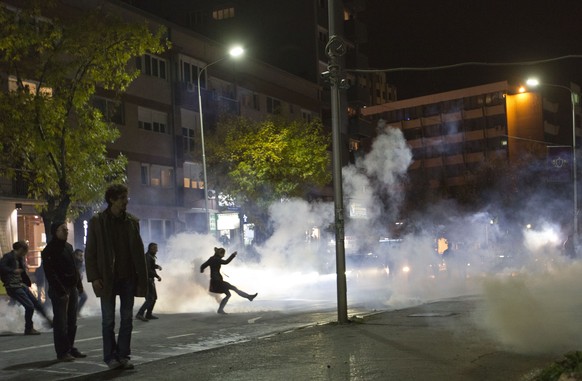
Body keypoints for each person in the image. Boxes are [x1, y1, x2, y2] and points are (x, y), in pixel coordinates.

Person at [85, 184, 148, 370]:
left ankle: (123, 355)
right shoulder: (98, 221)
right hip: (107, 278)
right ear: (112, 199)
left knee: (127, 319)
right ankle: (110, 357)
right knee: (108, 320)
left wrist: (142, 281)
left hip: (128, 277)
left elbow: (138, 251)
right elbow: (90, 252)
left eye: (126, 197)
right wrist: (94, 277)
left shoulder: (132, 221)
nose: (125, 201)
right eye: (121, 198)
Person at [41, 222, 86, 361]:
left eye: (67, 229)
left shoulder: (68, 247)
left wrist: (79, 285)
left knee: (72, 321)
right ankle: (62, 352)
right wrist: (61, 291)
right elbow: (51, 274)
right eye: (63, 230)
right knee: (61, 322)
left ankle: (70, 347)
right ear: (55, 231)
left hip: (71, 288)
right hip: (59, 290)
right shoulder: (49, 250)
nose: (66, 232)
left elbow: (74, 268)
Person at [0, 240, 52, 335]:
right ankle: (29, 328)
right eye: (25, 251)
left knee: (36, 303)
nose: (25, 253)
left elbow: (23, 272)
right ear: (20, 249)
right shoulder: (8, 257)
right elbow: (1, 267)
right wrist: (13, 271)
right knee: (29, 306)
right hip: (13, 286)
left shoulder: (19, 258)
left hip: (21, 285)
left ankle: (48, 321)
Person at [200, 247, 257, 314]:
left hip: (214, 282)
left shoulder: (211, 259)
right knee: (234, 288)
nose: (223, 256)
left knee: (228, 294)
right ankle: (249, 297)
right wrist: (233, 255)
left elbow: (202, 266)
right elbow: (226, 262)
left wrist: (202, 270)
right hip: (218, 282)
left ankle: (220, 310)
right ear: (220, 254)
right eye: (223, 254)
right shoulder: (217, 259)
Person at [135, 243, 162, 321]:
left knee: (154, 298)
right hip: (147, 280)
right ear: (150, 249)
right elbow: (148, 270)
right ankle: (140, 314)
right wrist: (157, 276)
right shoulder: (147, 257)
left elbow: (151, 266)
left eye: (156, 248)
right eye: (155, 248)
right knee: (150, 298)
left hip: (150, 280)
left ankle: (148, 314)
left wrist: (157, 266)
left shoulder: (150, 256)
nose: (156, 250)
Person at [73, 249, 88, 316]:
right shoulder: (73, 263)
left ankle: (76, 312)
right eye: (80, 256)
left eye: (82, 256)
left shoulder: (81, 263)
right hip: (72, 285)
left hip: (77, 285)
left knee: (84, 297)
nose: (81, 257)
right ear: (75, 255)